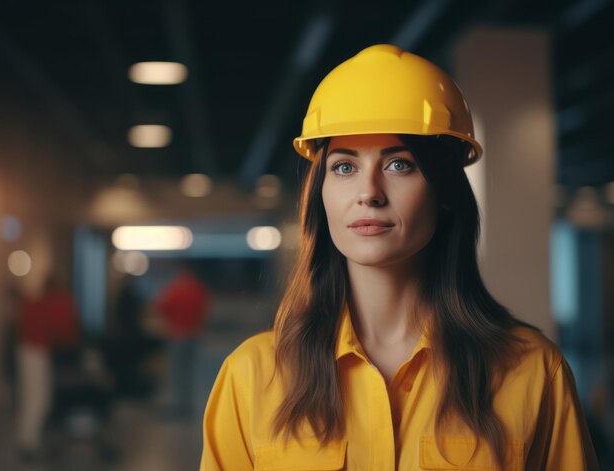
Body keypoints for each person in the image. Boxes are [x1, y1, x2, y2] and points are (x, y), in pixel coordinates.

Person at [200, 45, 599, 470]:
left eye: (399, 165)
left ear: (444, 191)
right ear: (320, 193)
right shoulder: (250, 377)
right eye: (344, 167)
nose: (369, 193)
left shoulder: (531, 370)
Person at [16, 274, 79, 461]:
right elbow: (66, 331)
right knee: (37, 399)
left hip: (34, 352)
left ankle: (29, 439)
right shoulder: (48, 304)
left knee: (38, 398)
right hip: (34, 352)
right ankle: (28, 442)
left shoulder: (37, 303)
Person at [155, 264, 210, 419]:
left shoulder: (175, 288)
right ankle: (188, 405)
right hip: (194, 335)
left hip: (177, 335)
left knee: (176, 373)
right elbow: (205, 309)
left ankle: (178, 405)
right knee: (189, 373)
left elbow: (161, 306)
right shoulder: (198, 289)